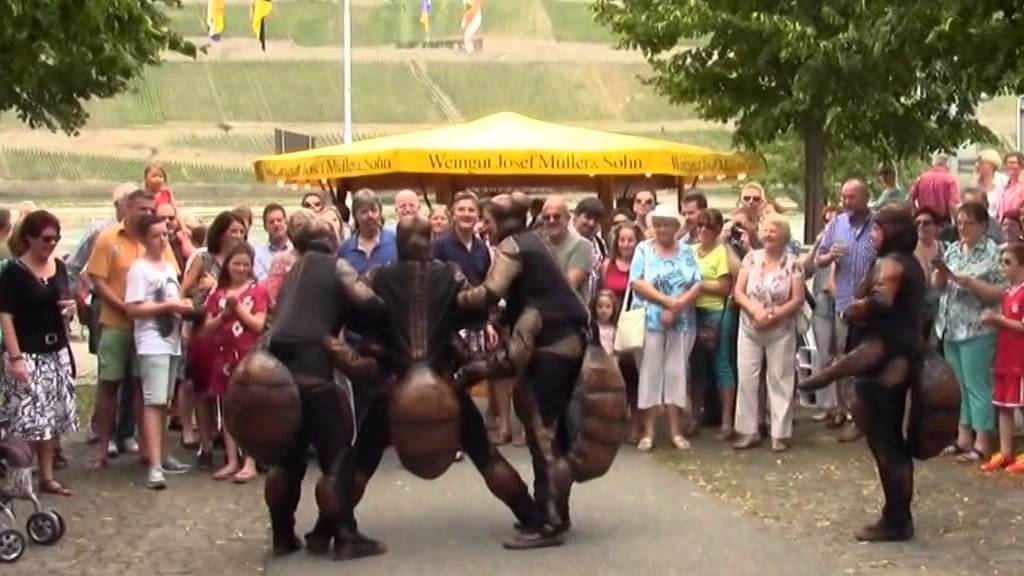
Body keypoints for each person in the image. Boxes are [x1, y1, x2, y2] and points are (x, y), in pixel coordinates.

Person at [87, 189, 177, 468]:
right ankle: (102, 447)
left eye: (152, 210)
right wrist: (123, 304)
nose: (149, 215)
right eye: (143, 210)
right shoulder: (108, 237)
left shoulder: (158, 239)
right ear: (128, 208)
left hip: (149, 328)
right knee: (109, 384)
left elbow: (171, 275)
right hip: (116, 322)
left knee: (144, 386)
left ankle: (147, 449)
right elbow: (97, 279)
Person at [0, 210, 78, 495]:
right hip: (27, 352)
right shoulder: (13, 273)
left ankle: (46, 477)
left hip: (55, 351)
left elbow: (66, 302)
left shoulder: (58, 267)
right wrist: (15, 358)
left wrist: (70, 311)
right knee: (26, 419)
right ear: (30, 238)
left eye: (56, 238)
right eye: (47, 238)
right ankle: (18, 480)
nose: (52, 244)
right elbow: (5, 316)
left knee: (50, 420)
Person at [124, 214, 194, 489]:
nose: (163, 239)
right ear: (144, 239)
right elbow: (133, 308)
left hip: (172, 339)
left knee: (164, 401)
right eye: (157, 235)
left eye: (166, 234)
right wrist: (169, 308)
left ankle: (162, 454)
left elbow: (172, 299)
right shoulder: (139, 270)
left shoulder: (167, 267)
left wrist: (181, 306)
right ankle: (154, 465)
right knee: (153, 402)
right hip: (152, 341)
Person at [629, 203, 703, 451]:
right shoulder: (644, 249)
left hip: (682, 322)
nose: (661, 228)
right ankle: (648, 432)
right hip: (650, 321)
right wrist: (666, 303)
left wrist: (678, 306)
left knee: (676, 374)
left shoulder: (686, 251)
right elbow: (637, 282)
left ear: (676, 227)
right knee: (649, 375)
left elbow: (697, 283)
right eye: (658, 224)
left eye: (667, 224)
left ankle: (675, 431)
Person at [933, 201, 1004, 461]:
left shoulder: (993, 253)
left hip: (977, 327)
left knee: (978, 385)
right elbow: (936, 286)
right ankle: (963, 437)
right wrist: (940, 276)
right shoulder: (953, 249)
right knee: (959, 386)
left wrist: (972, 283)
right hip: (950, 326)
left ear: (983, 225)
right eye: (959, 222)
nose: (963, 227)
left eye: (969, 223)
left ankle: (983, 439)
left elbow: (1001, 293)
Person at [732, 214, 805, 451]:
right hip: (749, 326)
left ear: (784, 235)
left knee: (780, 378)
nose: (769, 234)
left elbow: (798, 299)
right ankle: (748, 430)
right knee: (747, 378)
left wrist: (773, 315)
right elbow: (738, 291)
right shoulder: (750, 259)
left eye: (774, 230)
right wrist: (754, 310)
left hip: (780, 328)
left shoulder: (793, 263)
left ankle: (780, 433)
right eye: (765, 230)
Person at [181, 211, 247, 469]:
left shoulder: (241, 259)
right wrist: (202, 292)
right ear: (220, 232)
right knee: (203, 389)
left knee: (228, 389)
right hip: (203, 323)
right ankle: (205, 444)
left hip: (230, 330)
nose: (238, 236)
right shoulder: (203, 258)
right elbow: (184, 290)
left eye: (241, 232)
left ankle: (235, 446)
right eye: (233, 231)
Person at [199, 243, 268, 483]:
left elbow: (259, 325)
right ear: (227, 265)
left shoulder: (257, 291)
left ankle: (250, 460)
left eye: (245, 265)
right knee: (227, 409)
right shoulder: (217, 294)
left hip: (248, 355)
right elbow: (206, 329)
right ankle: (231, 459)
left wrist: (238, 308)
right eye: (236, 263)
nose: (240, 268)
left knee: (249, 409)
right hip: (224, 356)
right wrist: (223, 315)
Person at [815, 179, 876, 442]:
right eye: (843, 197)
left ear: (865, 198)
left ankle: (867, 417)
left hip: (873, 307)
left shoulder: (878, 225)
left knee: (869, 361)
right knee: (844, 359)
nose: (846, 202)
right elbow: (819, 257)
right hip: (843, 303)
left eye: (851, 197)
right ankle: (845, 411)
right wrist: (829, 258)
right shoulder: (837, 224)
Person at [690, 208, 736, 439]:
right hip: (691, 311)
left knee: (721, 363)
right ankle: (695, 415)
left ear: (718, 230)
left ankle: (727, 420)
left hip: (715, 312)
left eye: (708, 227)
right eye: (700, 225)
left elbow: (724, 287)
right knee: (696, 366)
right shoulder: (689, 251)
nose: (703, 231)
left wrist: (698, 284)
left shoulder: (721, 252)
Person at [979, 243, 1024, 473]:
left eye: (1008, 262)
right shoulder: (1007, 293)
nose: (1003, 267)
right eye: (1002, 262)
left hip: (1020, 357)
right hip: (1005, 355)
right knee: (1004, 405)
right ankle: (1006, 452)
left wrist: (998, 320)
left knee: (1021, 404)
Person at [540, 196, 594, 304]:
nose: (551, 220)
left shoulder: (582, 245)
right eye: (547, 217)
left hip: (572, 314)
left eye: (556, 216)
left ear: (568, 218)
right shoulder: (539, 244)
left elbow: (568, 287)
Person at [337, 189, 397, 274]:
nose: (370, 215)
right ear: (355, 215)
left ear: (380, 213)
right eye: (364, 211)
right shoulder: (345, 249)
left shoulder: (395, 241)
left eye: (374, 210)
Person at [912, 207, 946, 345]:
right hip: (918, 312)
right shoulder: (909, 250)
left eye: (926, 223)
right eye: (917, 223)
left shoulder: (945, 248)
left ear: (936, 226)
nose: (921, 226)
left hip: (941, 312)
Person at [908, 154, 960, 238]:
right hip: (943, 223)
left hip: (924, 221)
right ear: (947, 165)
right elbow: (952, 205)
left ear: (934, 164)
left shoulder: (922, 178)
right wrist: (958, 223)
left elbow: (909, 199)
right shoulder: (950, 179)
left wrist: (916, 213)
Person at [572, 197, 608, 298]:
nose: (591, 223)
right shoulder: (566, 242)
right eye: (587, 217)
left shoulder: (601, 244)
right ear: (575, 217)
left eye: (596, 220)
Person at [600, 222, 640, 304]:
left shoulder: (643, 266)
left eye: (630, 240)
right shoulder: (607, 264)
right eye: (622, 240)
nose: (626, 244)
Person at [253, 203, 290, 281]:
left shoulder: (297, 250)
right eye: (271, 222)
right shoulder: (257, 254)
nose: (276, 224)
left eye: (279, 220)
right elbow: (262, 281)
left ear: (286, 223)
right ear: (265, 227)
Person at [976, 149, 1008, 220]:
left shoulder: (1004, 181)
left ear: (992, 165)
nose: (977, 165)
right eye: (977, 163)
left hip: (998, 223)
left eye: (981, 163)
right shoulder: (975, 183)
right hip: (979, 222)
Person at [997, 151, 1023, 218]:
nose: (1009, 165)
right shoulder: (1007, 185)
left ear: (1022, 164)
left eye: (1013, 163)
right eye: (1007, 163)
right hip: (1005, 224)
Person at [593, 289, 619, 355]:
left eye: (608, 307)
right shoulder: (592, 327)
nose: (604, 310)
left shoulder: (615, 328)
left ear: (613, 308)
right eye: (600, 306)